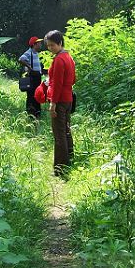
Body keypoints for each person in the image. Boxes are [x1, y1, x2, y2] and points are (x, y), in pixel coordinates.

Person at [44, 29, 76, 177]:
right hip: (68, 98)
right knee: (66, 130)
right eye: (48, 45)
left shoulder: (58, 60)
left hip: (60, 100)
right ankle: (70, 158)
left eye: (52, 45)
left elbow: (57, 84)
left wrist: (53, 103)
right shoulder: (68, 57)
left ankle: (60, 168)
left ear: (60, 43)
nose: (50, 48)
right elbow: (73, 79)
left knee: (59, 134)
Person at [19, 36, 43, 119]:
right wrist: (30, 68)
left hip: (37, 76)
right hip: (32, 77)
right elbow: (21, 59)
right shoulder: (29, 52)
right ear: (34, 44)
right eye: (39, 43)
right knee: (31, 95)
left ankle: (37, 112)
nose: (40, 44)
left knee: (37, 94)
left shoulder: (36, 53)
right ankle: (31, 113)